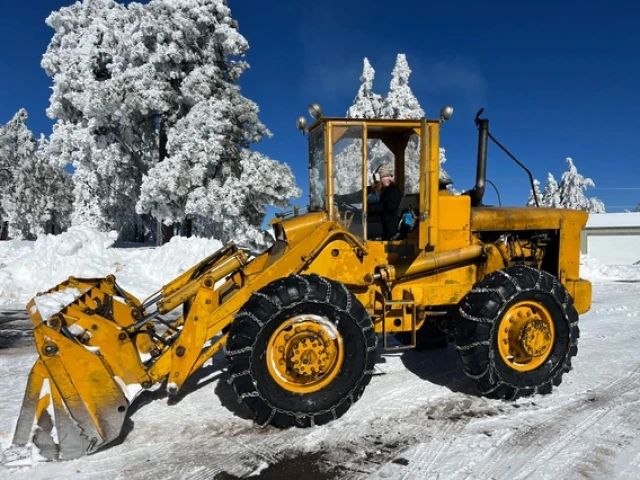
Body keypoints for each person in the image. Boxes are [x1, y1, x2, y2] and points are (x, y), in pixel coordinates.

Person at [367, 163, 401, 240]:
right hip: (373, 221)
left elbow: (388, 207)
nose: (390, 178)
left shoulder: (392, 190)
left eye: (391, 176)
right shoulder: (373, 190)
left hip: (386, 226)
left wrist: (367, 209)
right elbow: (359, 195)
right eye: (387, 176)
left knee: (359, 231)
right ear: (378, 177)